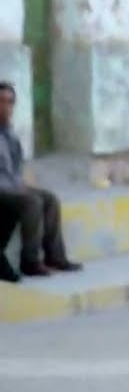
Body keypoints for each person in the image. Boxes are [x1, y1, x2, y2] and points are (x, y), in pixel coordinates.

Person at [0, 82, 82, 277]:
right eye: (1, 101)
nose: (6, 106)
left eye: (10, 102)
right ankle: (30, 261)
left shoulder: (10, 133)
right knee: (32, 202)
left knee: (50, 198)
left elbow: (16, 166)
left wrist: (20, 185)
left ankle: (55, 256)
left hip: (11, 184)